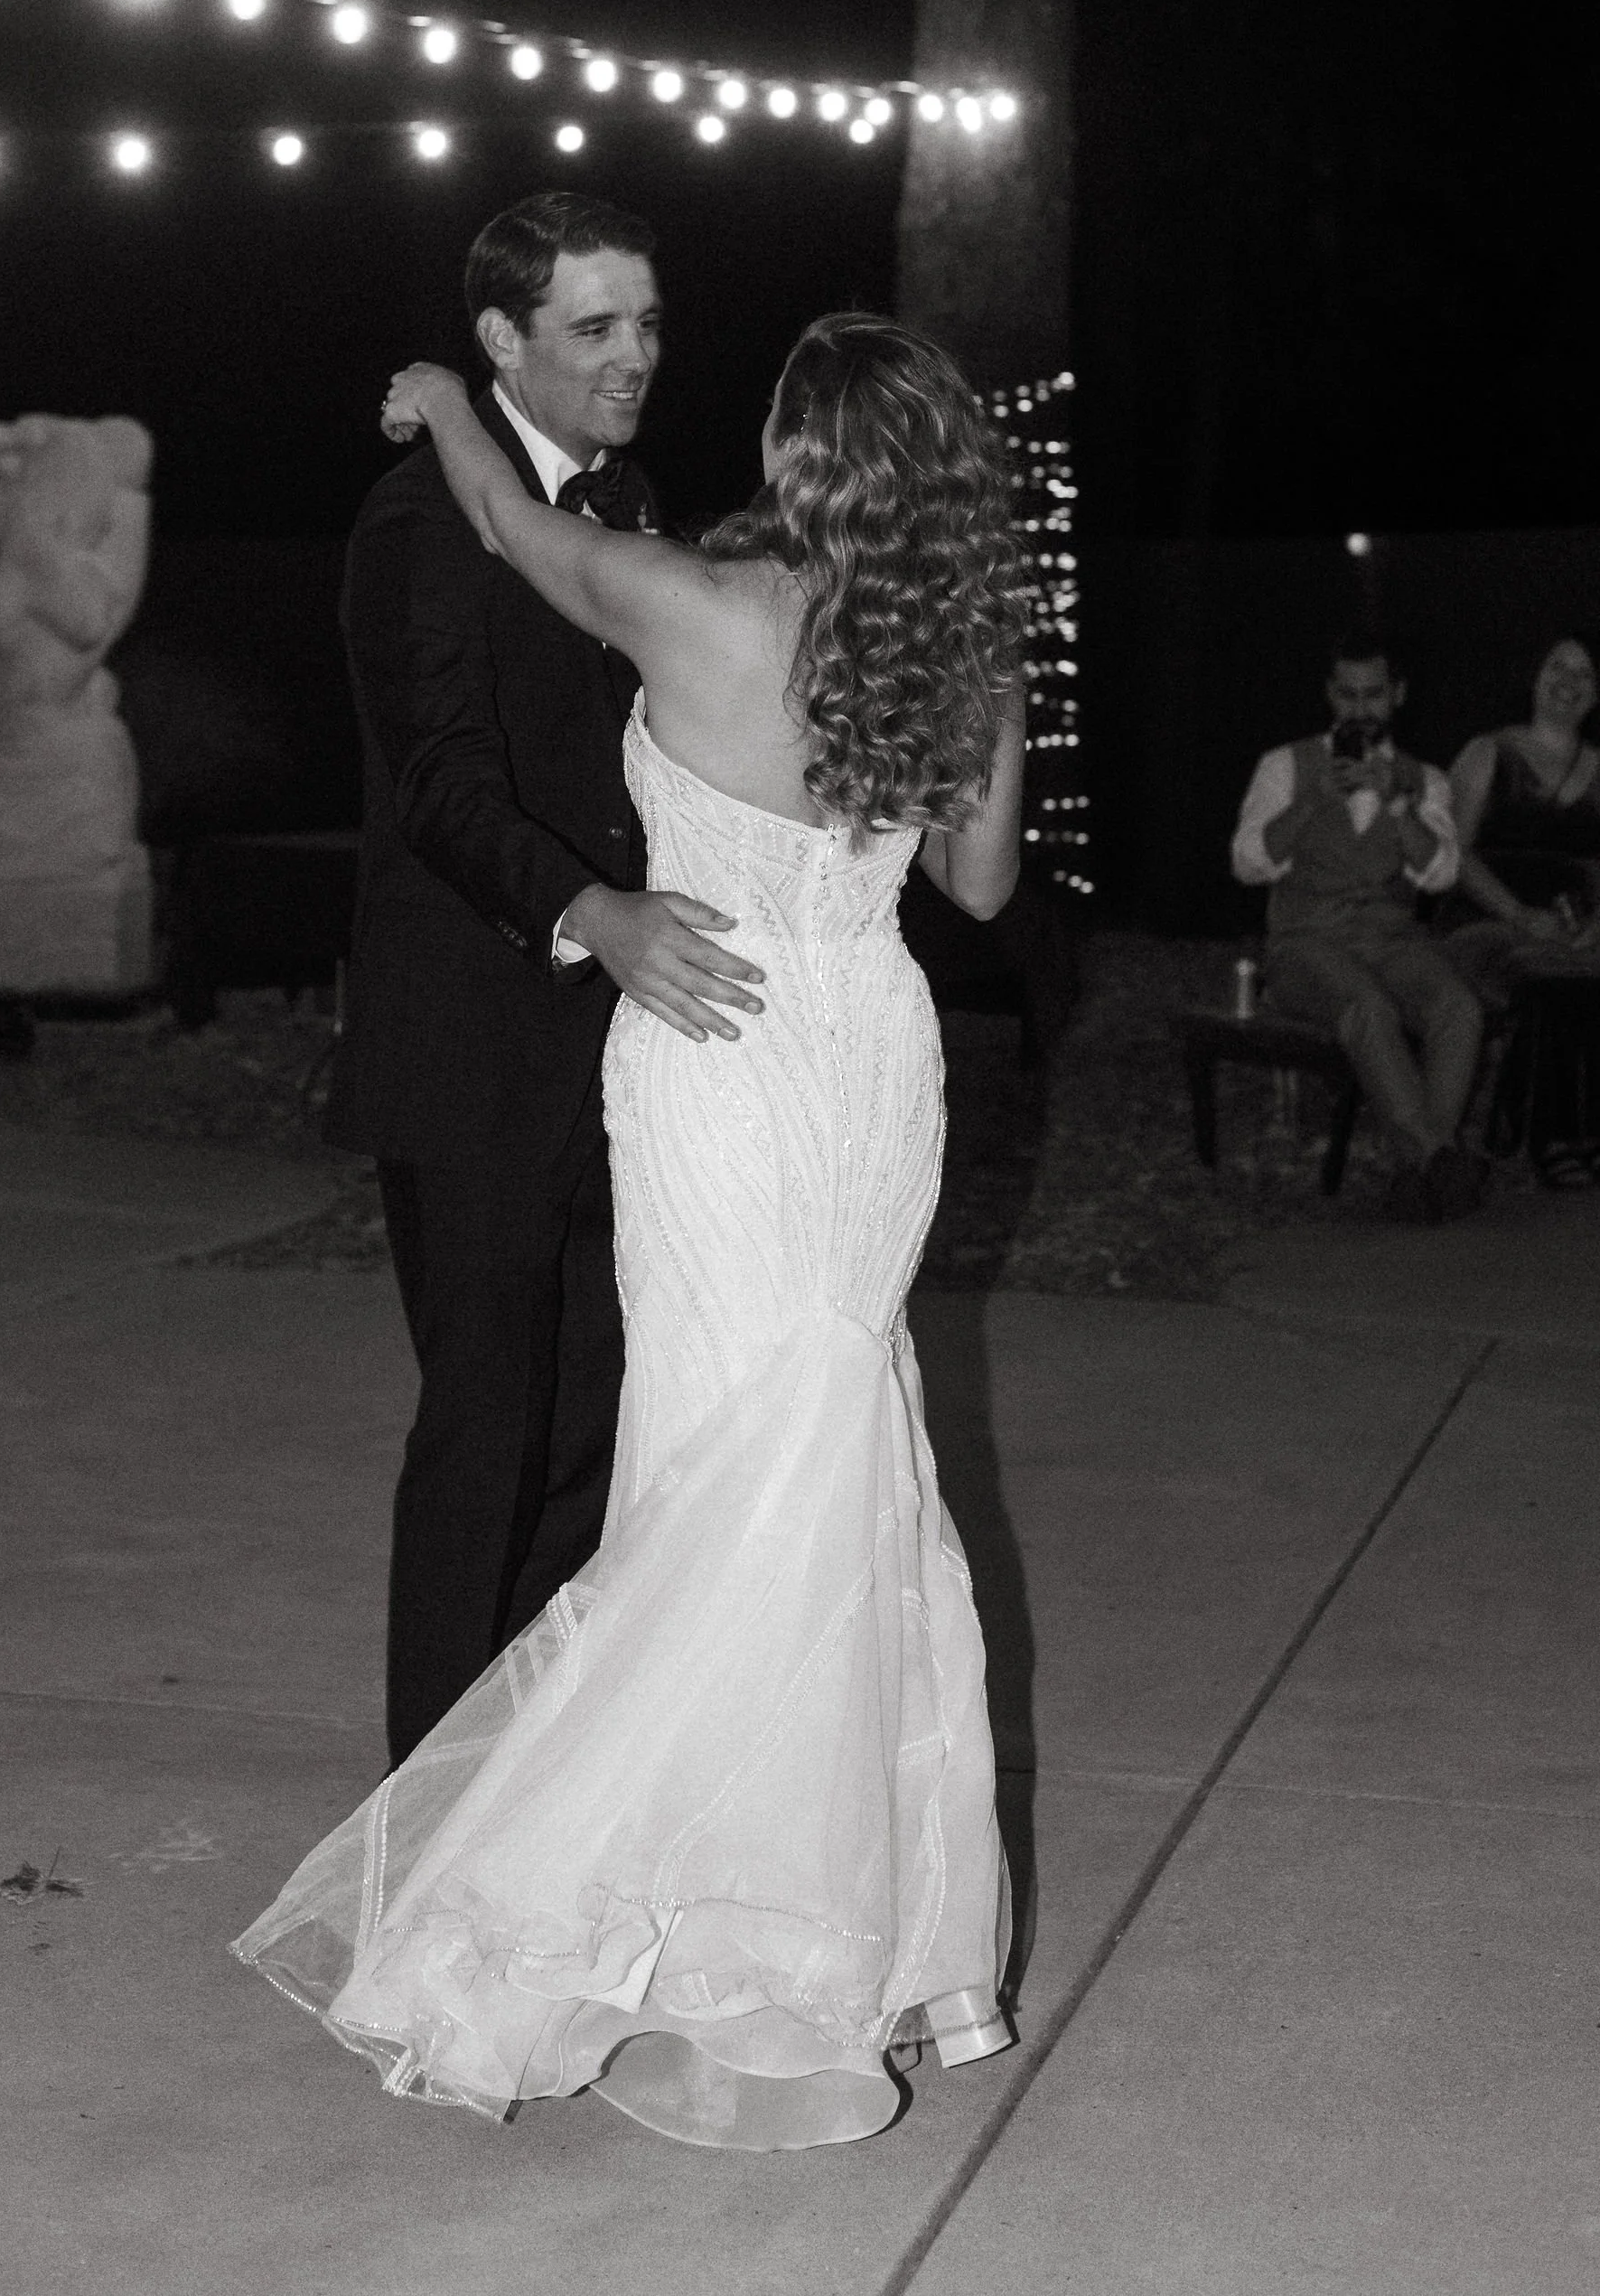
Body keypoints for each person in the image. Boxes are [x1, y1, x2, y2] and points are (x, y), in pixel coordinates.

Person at [235, 314, 1028, 2150]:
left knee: (706, 1472)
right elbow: (979, 886)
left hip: (715, 1062)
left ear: (798, 454)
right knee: (833, 1452)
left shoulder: (697, 607)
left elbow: (510, 528)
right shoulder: (961, 650)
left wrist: (444, 399)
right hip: (865, 1059)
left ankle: (642, 1916)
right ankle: (811, 1936)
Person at [323, 193, 766, 1770]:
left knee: (592, 1425)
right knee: (485, 1434)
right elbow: (437, 786)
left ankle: (522, 1780)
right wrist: (593, 912)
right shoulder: (414, 523)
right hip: (471, 1049)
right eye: (594, 328)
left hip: (617, 1051)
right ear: (501, 341)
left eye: (646, 323)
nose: (634, 356)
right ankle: (425, 1821)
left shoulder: (629, 499)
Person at [1230, 635, 1484, 1221]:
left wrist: (1397, 805)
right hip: (1305, 942)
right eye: (1348, 694)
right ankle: (1438, 1159)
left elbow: (1441, 874)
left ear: (1397, 695)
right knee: (1367, 1008)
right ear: (1330, 695)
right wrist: (1313, 802)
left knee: (1458, 1008)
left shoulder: (1424, 779)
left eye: (1373, 695)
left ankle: (1418, 1174)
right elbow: (1248, 863)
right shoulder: (1286, 765)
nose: (1360, 709)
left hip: (1391, 939)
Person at [1436, 635, 1600, 1181]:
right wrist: (1518, 915)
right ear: (1535, 676)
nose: (1568, 682)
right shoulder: (1489, 753)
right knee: (1546, 970)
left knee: (1575, 965)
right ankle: (1553, 1133)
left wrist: (1596, 924)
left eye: (1584, 673)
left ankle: (1560, 1124)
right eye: (1557, 667)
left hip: (1571, 928)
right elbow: (1454, 854)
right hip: (1485, 919)